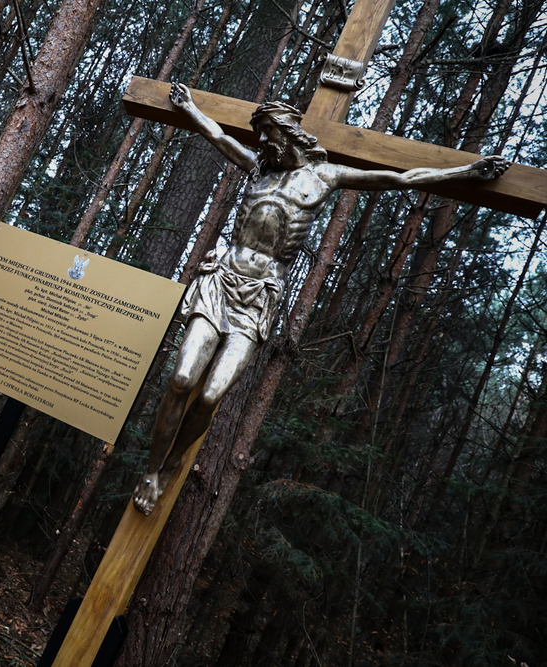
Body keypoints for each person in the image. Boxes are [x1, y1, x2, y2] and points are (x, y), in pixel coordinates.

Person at [132, 84, 510, 515]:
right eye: (259, 134)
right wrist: (190, 108)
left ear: (290, 132)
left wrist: (465, 172)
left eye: (268, 132)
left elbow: (402, 178)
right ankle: (151, 469)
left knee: (209, 396)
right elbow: (219, 137)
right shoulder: (258, 166)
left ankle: (175, 459)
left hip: (259, 297)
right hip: (221, 280)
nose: (261, 142)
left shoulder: (324, 177)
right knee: (181, 379)